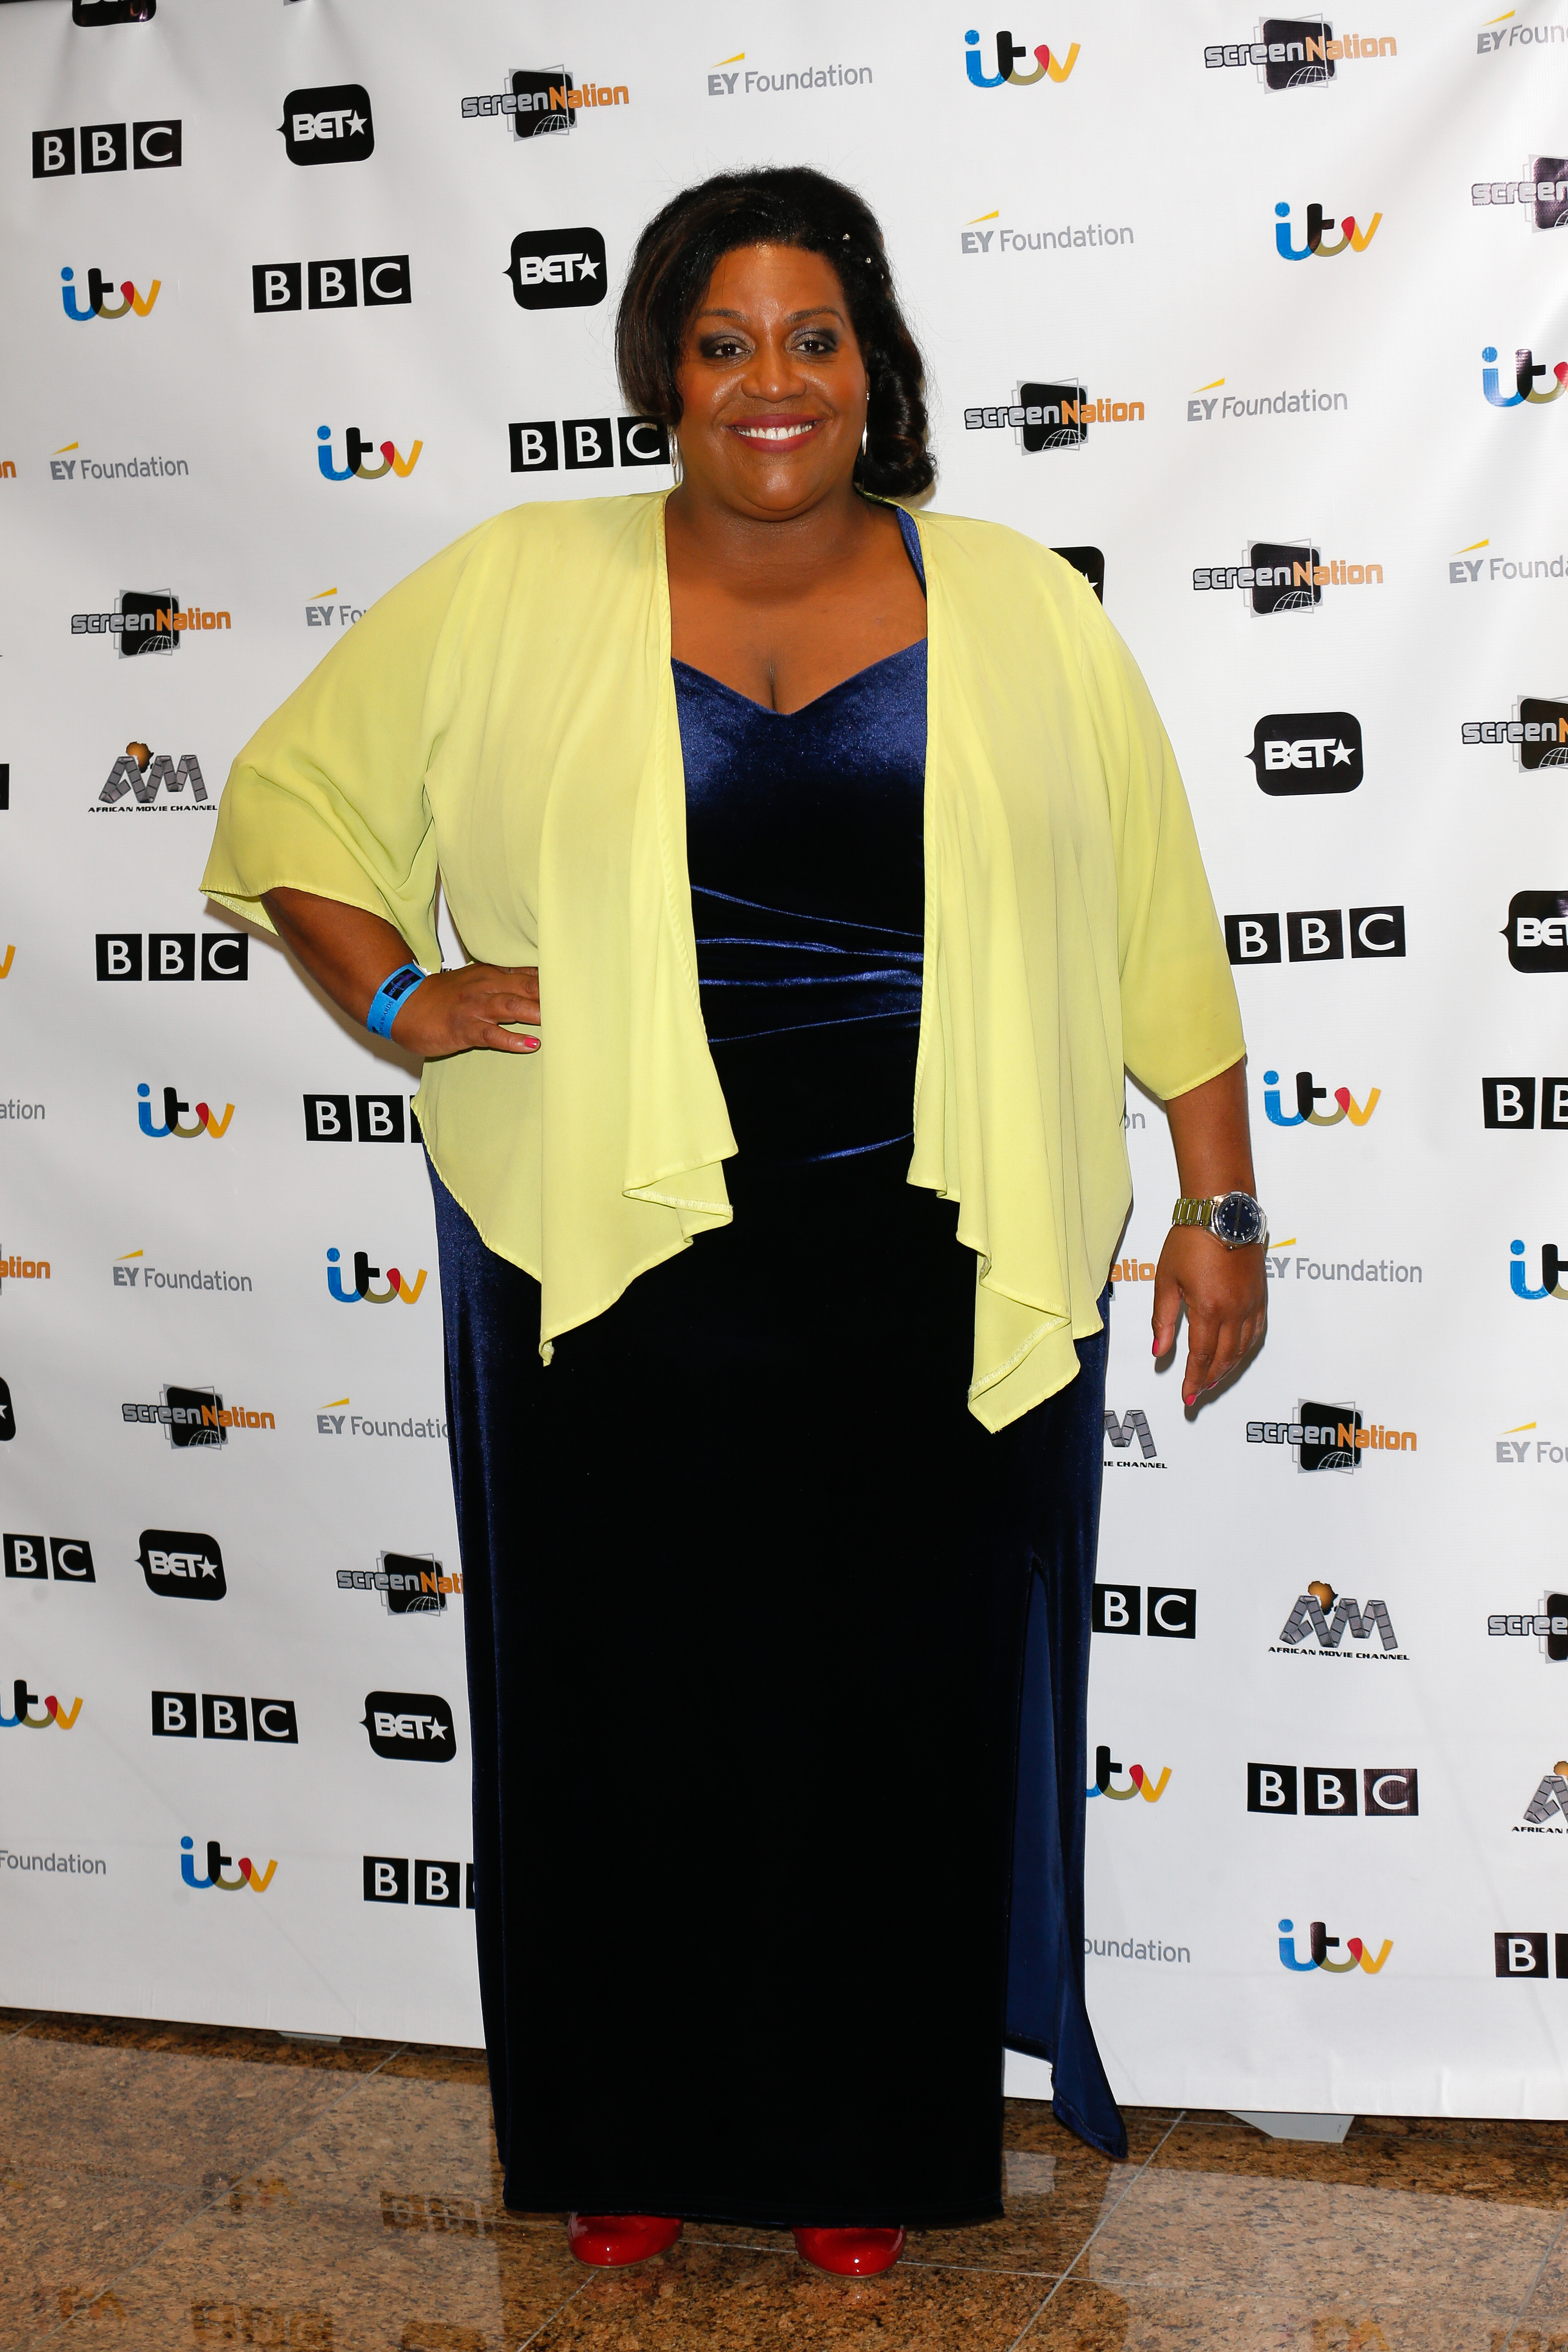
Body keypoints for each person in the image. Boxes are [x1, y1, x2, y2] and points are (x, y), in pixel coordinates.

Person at [201, 167, 1265, 2278]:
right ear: (660, 374)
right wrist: (406, 1001)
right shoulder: (517, 581)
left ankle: (862, 2142)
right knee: (621, 1691)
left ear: (874, 373)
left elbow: (1160, 920)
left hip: (931, 1241)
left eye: (811, 339)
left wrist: (1221, 1201)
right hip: (611, 1239)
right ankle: (631, 2132)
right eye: (722, 342)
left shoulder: (1023, 605)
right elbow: (293, 809)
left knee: (894, 1701)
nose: (770, 382)